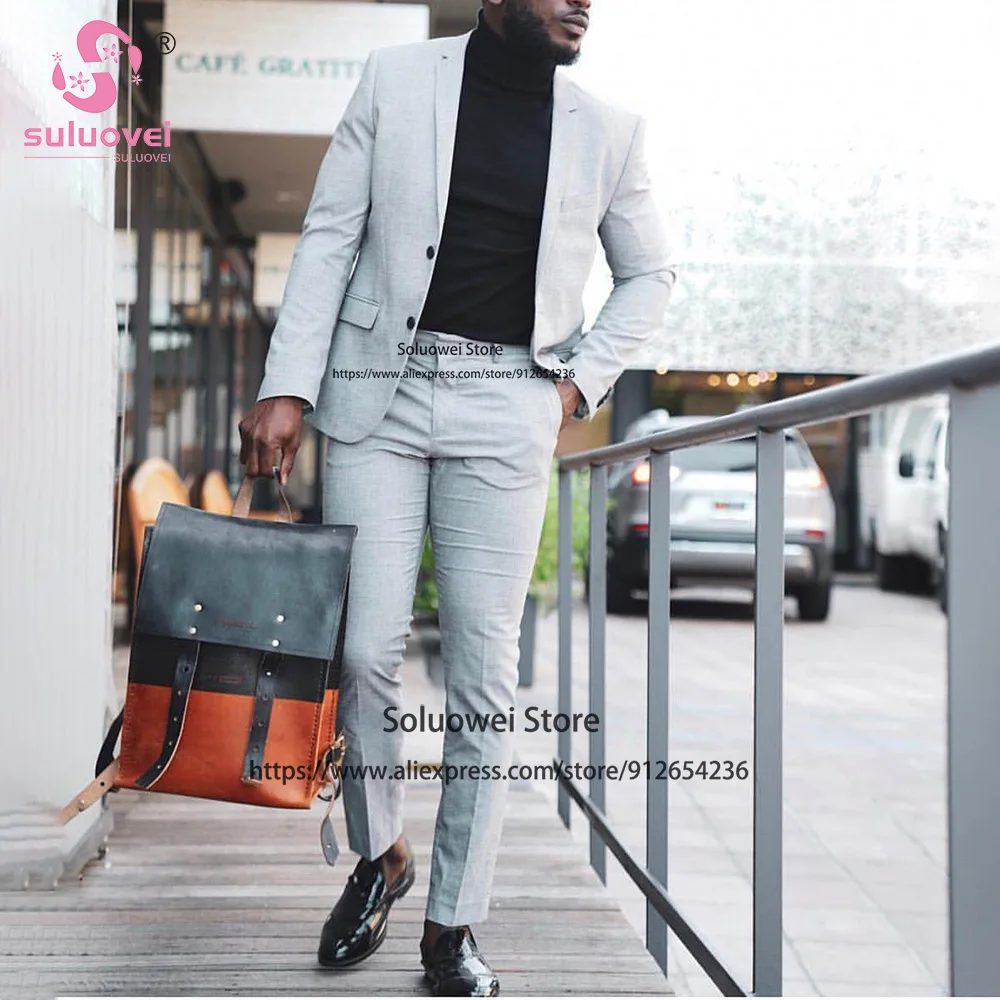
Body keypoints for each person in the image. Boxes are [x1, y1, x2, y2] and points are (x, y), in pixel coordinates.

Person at [238, 0, 675, 993]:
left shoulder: (608, 131)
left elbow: (650, 273)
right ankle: (379, 853)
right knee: (362, 650)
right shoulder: (397, 78)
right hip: (375, 393)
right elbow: (331, 233)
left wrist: (573, 387)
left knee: (483, 672)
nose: (582, 3)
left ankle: (453, 922)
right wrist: (286, 382)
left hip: (508, 399)